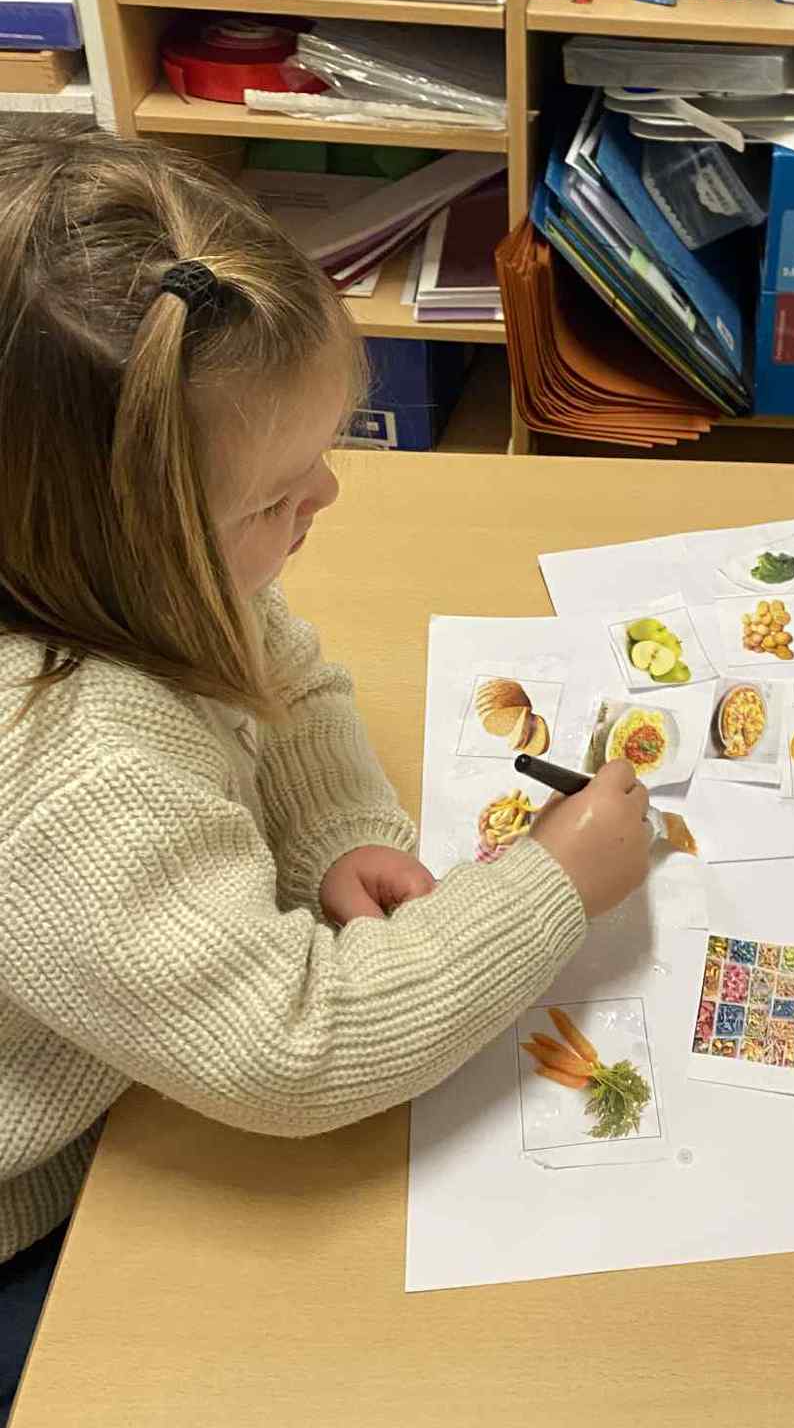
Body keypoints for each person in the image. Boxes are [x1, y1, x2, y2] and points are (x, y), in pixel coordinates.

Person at [0, 133, 653, 1416]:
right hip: (38, 1197)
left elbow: (283, 674)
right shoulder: (71, 772)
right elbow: (295, 1045)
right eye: (275, 498)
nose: (331, 493)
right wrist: (550, 886)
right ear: (110, 536)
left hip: (127, 1067)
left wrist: (336, 831)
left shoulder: (126, 574)